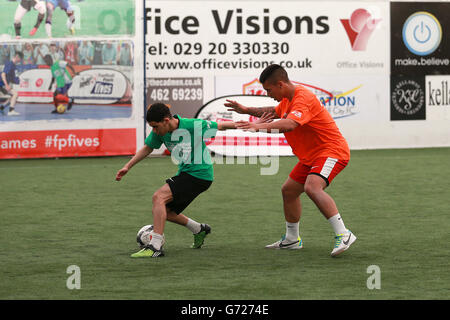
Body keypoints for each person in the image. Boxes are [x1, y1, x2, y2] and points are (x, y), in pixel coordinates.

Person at [225, 64, 356, 257]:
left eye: (269, 90)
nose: (268, 94)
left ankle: (343, 233)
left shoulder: (304, 98)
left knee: (312, 187)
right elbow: (273, 111)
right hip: (311, 156)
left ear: (280, 84)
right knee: (289, 191)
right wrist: (246, 110)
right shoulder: (287, 99)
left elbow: (289, 124)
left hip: (331, 151)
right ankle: (292, 239)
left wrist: (256, 127)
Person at [115, 103, 238, 258]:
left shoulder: (192, 125)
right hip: (187, 174)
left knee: (158, 197)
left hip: (199, 174)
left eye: (155, 126)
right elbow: (148, 147)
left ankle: (155, 246)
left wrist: (254, 124)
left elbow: (222, 125)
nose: (154, 130)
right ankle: (198, 229)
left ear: (166, 120)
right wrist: (128, 166)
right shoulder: (160, 131)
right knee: (164, 212)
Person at [0, 52, 23, 116]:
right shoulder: (10, 64)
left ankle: (2, 107)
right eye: (20, 59)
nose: (20, 61)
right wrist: (7, 85)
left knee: (14, 96)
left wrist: (18, 81)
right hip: (1, 84)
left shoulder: (13, 66)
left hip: (3, 84)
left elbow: (12, 79)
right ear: (17, 56)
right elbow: (3, 74)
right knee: (15, 94)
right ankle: (11, 110)